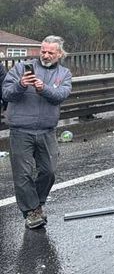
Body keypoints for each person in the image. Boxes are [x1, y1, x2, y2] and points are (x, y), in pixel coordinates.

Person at [2, 36, 73, 229]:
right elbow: (5, 94)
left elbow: (60, 96)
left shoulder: (64, 74)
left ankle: (38, 204)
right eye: (43, 51)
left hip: (47, 131)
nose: (46, 55)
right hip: (20, 129)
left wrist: (44, 88)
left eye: (51, 52)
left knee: (48, 171)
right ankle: (31, 211)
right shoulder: (19, 69)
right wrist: (21, 85)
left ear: (59, 54)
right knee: (23, 174)